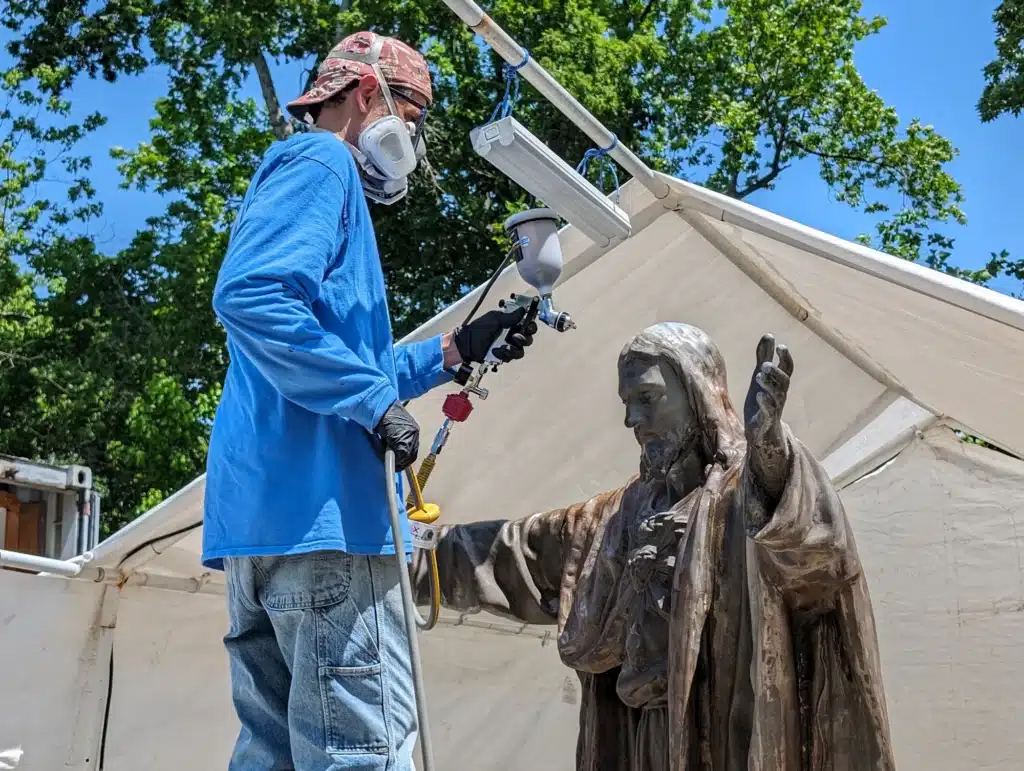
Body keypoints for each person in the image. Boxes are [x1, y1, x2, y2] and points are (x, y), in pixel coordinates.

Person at [201, 30, 536, 771]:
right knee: (362, 754)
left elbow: (337, 358)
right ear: (366, 98)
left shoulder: (295, 176)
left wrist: (454, 353)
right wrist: (368, 398)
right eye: (411, 117)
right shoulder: (322, 160)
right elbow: (251, 297)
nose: (411, 138)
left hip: (266, 525)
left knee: (274, 757)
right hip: (328, 531)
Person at [418, 323, 895, 771]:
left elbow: (814, 550)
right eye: (628, 402)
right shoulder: (615, 517)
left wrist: (769, 448)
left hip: (725, 734)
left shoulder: (744, 492)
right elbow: (513, 553)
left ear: (698, 393)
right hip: (640, 741)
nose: (632, 419)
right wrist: (405, 552)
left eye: (648, 397)